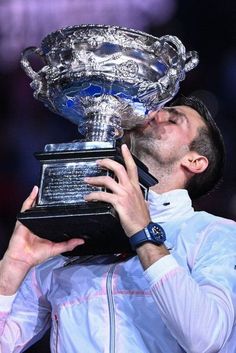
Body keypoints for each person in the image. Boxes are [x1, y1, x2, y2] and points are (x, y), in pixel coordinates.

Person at [0, 95, 235, 353]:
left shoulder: (216, 234)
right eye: (157, 110)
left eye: (173, 118)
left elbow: (206, 338)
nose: (154, 115)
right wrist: (12, 269)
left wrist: (142, 232)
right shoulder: (68, 245)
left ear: (194, 161)